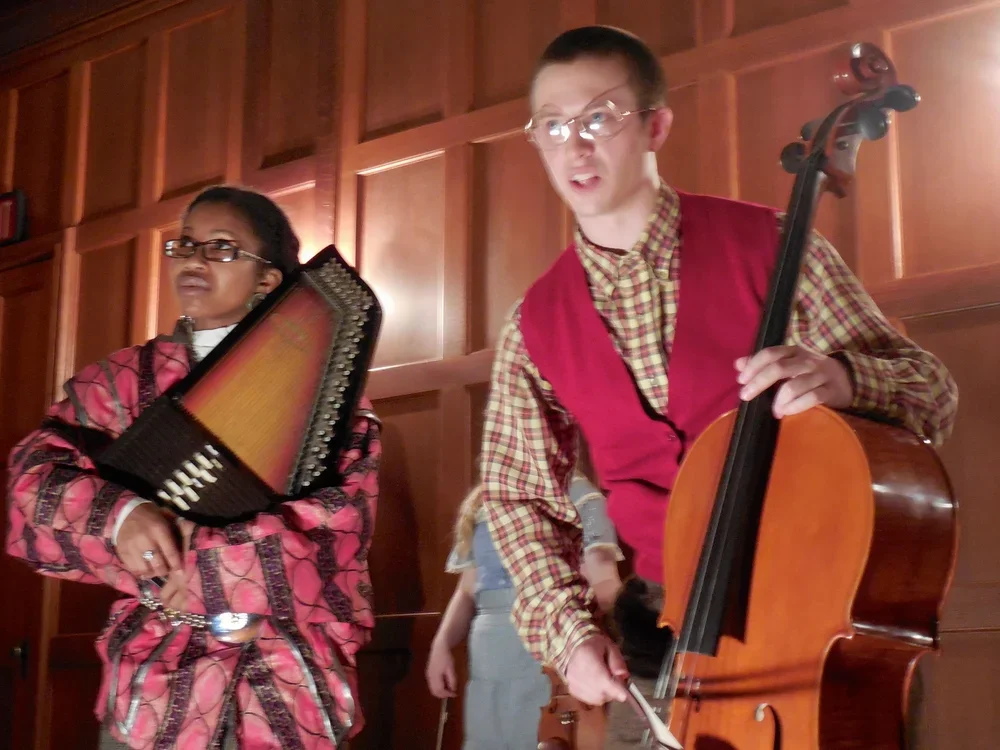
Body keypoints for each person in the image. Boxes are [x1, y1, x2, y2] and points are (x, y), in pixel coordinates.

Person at [479, 25, 959, 748]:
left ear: (656, 126)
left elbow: (931, 392)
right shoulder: (532, 323)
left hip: (810, 620)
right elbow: (518, 497)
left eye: (599, 118)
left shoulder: (773, 242)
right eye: (552, 126)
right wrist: (566, 631)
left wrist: (845, 378)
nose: (574, 146)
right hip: (656, 646)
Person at [5, 186, 381, 749]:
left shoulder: (327, 391)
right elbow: (30, 489)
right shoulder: (120, 382)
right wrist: (122, 518)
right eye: (183, 245)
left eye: (221, 247)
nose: (194, 260)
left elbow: (340, 530)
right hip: (156, 687)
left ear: (268, 279)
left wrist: (194, 563)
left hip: (288, 687)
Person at [425, 471, 621, 749]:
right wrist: (441, 644)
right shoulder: (483, 501)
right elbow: (467, 589)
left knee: (541, 736)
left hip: (546, 638)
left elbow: (603, 579)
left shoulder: (578, 494)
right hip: (488, 652)